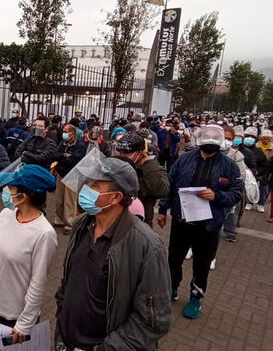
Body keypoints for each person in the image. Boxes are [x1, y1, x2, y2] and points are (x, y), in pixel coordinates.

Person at [54, 157, 171, 350]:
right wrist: (61, 311)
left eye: (94, 185)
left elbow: (154, 320)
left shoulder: (147, 246)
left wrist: (109, 348)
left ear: (116, 197)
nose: (85, 188)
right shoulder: (81, 225)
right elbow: (70, 278)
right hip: (65, 340)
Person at [158, 125, 243, 319]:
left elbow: (237, 193)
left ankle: (196, 298)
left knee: (202, 263)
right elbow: (170, 185)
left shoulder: (229, 166)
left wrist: (217, 195)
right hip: (182, 220)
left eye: (215, 136)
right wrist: (163, 209)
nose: (211, 139)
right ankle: (171, 288)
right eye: (208, 136)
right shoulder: (184, 159)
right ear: (201, 139)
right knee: (174, 258)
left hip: (209, 225)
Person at [0, 165, 57, 344]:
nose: (6, 192)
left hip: (15, 319)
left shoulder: (44, 233)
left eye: (11, 188)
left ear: (23, 196)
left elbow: (38, 283)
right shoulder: (6, 214)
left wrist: (24, 323)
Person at [113, 132, 169, 227]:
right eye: (120, 152)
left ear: (140, 153)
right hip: (115, 218)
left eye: (127, 153)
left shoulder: (152, 168)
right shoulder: (117, 166)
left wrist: (148, 164)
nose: (122, 155)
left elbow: (162, 191)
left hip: (140, 221)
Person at [52, 124, 88, 235]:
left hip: (72, 174)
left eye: (66, 131)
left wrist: (61, 159)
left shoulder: (80, 145)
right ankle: (59, 219)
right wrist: (64, 155)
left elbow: (75, 160)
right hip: (61, 173)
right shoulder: (62, 144)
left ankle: (69, 223)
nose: (64, 134)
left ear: (72, 133)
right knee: (59, 199)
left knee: (70, 200)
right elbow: (54, 155)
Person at [243, 126, 269, 213]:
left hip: (253, 175)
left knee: (256, 189)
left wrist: (257, 172)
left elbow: (264, 165)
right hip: (240, 175)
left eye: (252, 137)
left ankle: (258, 204)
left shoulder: (259, 151)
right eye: (247, 136)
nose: (249, 138)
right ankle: (248, 202)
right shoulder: (238, 149)